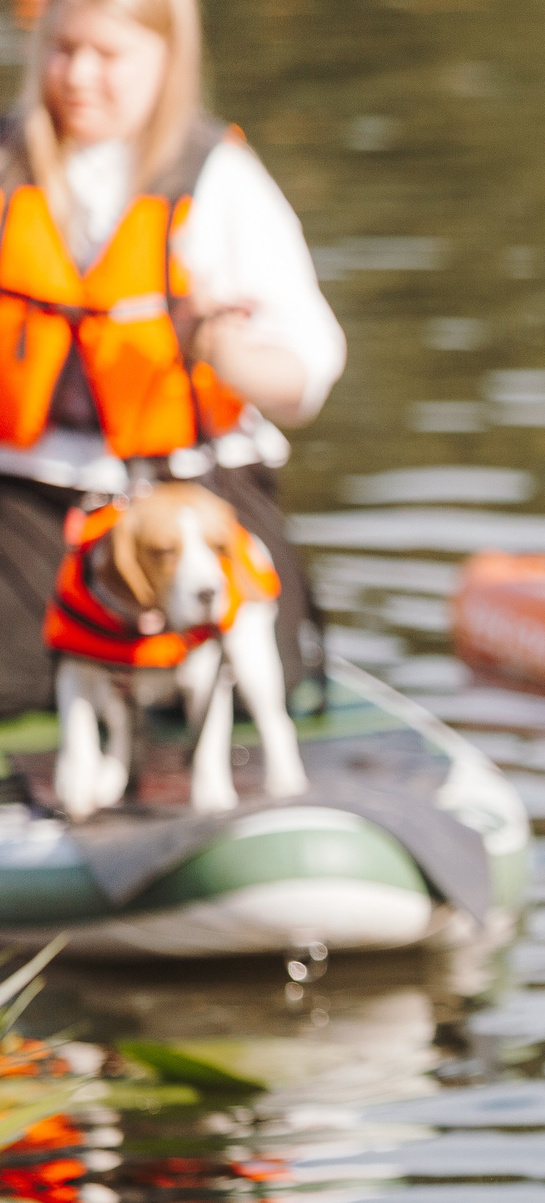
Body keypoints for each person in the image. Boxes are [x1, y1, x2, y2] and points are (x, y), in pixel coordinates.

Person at [0, 0, 344, 720]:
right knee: (14, 683)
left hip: (191, 492)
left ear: (166, 58)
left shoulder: (219, 178)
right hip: (30, 500)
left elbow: (304, 378)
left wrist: (216, 343)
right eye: (63, 50)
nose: (78, 76)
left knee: (257, 685)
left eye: (107, 55)